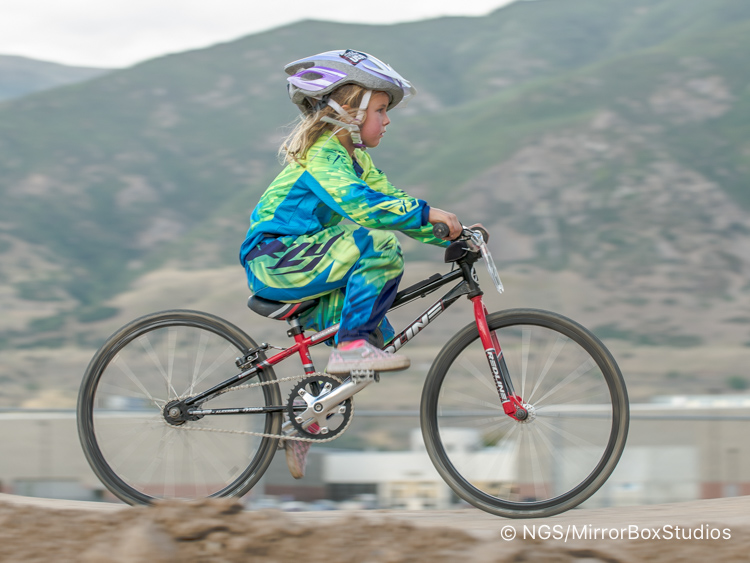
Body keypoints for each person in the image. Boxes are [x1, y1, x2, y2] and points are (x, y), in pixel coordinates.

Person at [239, 49, 464, 478]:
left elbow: (390, 201)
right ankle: (349, 346)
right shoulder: (324, 154)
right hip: (275, 258)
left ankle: (305, 418)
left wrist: (450, 232)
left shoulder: (357, 160)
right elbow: (363, 207)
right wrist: (427, 213)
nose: (388, 119)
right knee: (377, 244)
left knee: (379, 339)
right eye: (380, 109)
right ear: (350, 112)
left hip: (307, 257)